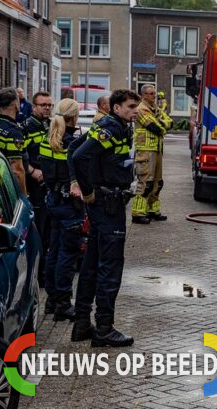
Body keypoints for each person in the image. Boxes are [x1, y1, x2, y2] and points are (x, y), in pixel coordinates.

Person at [69, 89, 139, 347]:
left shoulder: (115, 126)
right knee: (110, 267)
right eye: (130, 107)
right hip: (108, 206)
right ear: (116, 107)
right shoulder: (110, 128)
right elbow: (78, 155)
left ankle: (81, 323)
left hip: (105, 204)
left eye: (136, 107)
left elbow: (75, 148)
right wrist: (87, 190)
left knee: (91, 264)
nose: (134, 111)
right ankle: (104, 328)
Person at [38, 98, 85, 322]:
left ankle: (51, 300)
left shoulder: (47, 138)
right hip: (69, 204)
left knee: (53, 251)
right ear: (74, 117)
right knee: (68, 254)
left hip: (52, 200)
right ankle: (64, 304)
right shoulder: (72, 143)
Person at [130, 84, 172, 224]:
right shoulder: (141, 109)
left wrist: (162, 125)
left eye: (154, 93)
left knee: (158, 183)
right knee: (145, 182)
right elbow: (154, 128)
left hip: (157, 149)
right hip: (146, 151)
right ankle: (138, 213)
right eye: (151, 93)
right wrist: (162, 125)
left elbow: (170, 123)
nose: (154, 96)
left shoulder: (155, 109)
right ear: (144, 95)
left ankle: (152, 210)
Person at [24, 91, 52, 291]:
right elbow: (19, 156)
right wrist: (32, 171)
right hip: (35, 188)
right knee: (39, 233)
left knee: (49, 234)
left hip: (48, 188)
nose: (47, 108)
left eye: (49, 105)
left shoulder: (49, 126)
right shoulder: (27, 127)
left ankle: (44, 275)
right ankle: (36, 276)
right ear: (34, 107)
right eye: (43, 105)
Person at [0, 87, 27, 194]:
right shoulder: (14, 132)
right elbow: (17, 171)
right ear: (16, 104)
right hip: (5, 190)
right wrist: (23, 198)